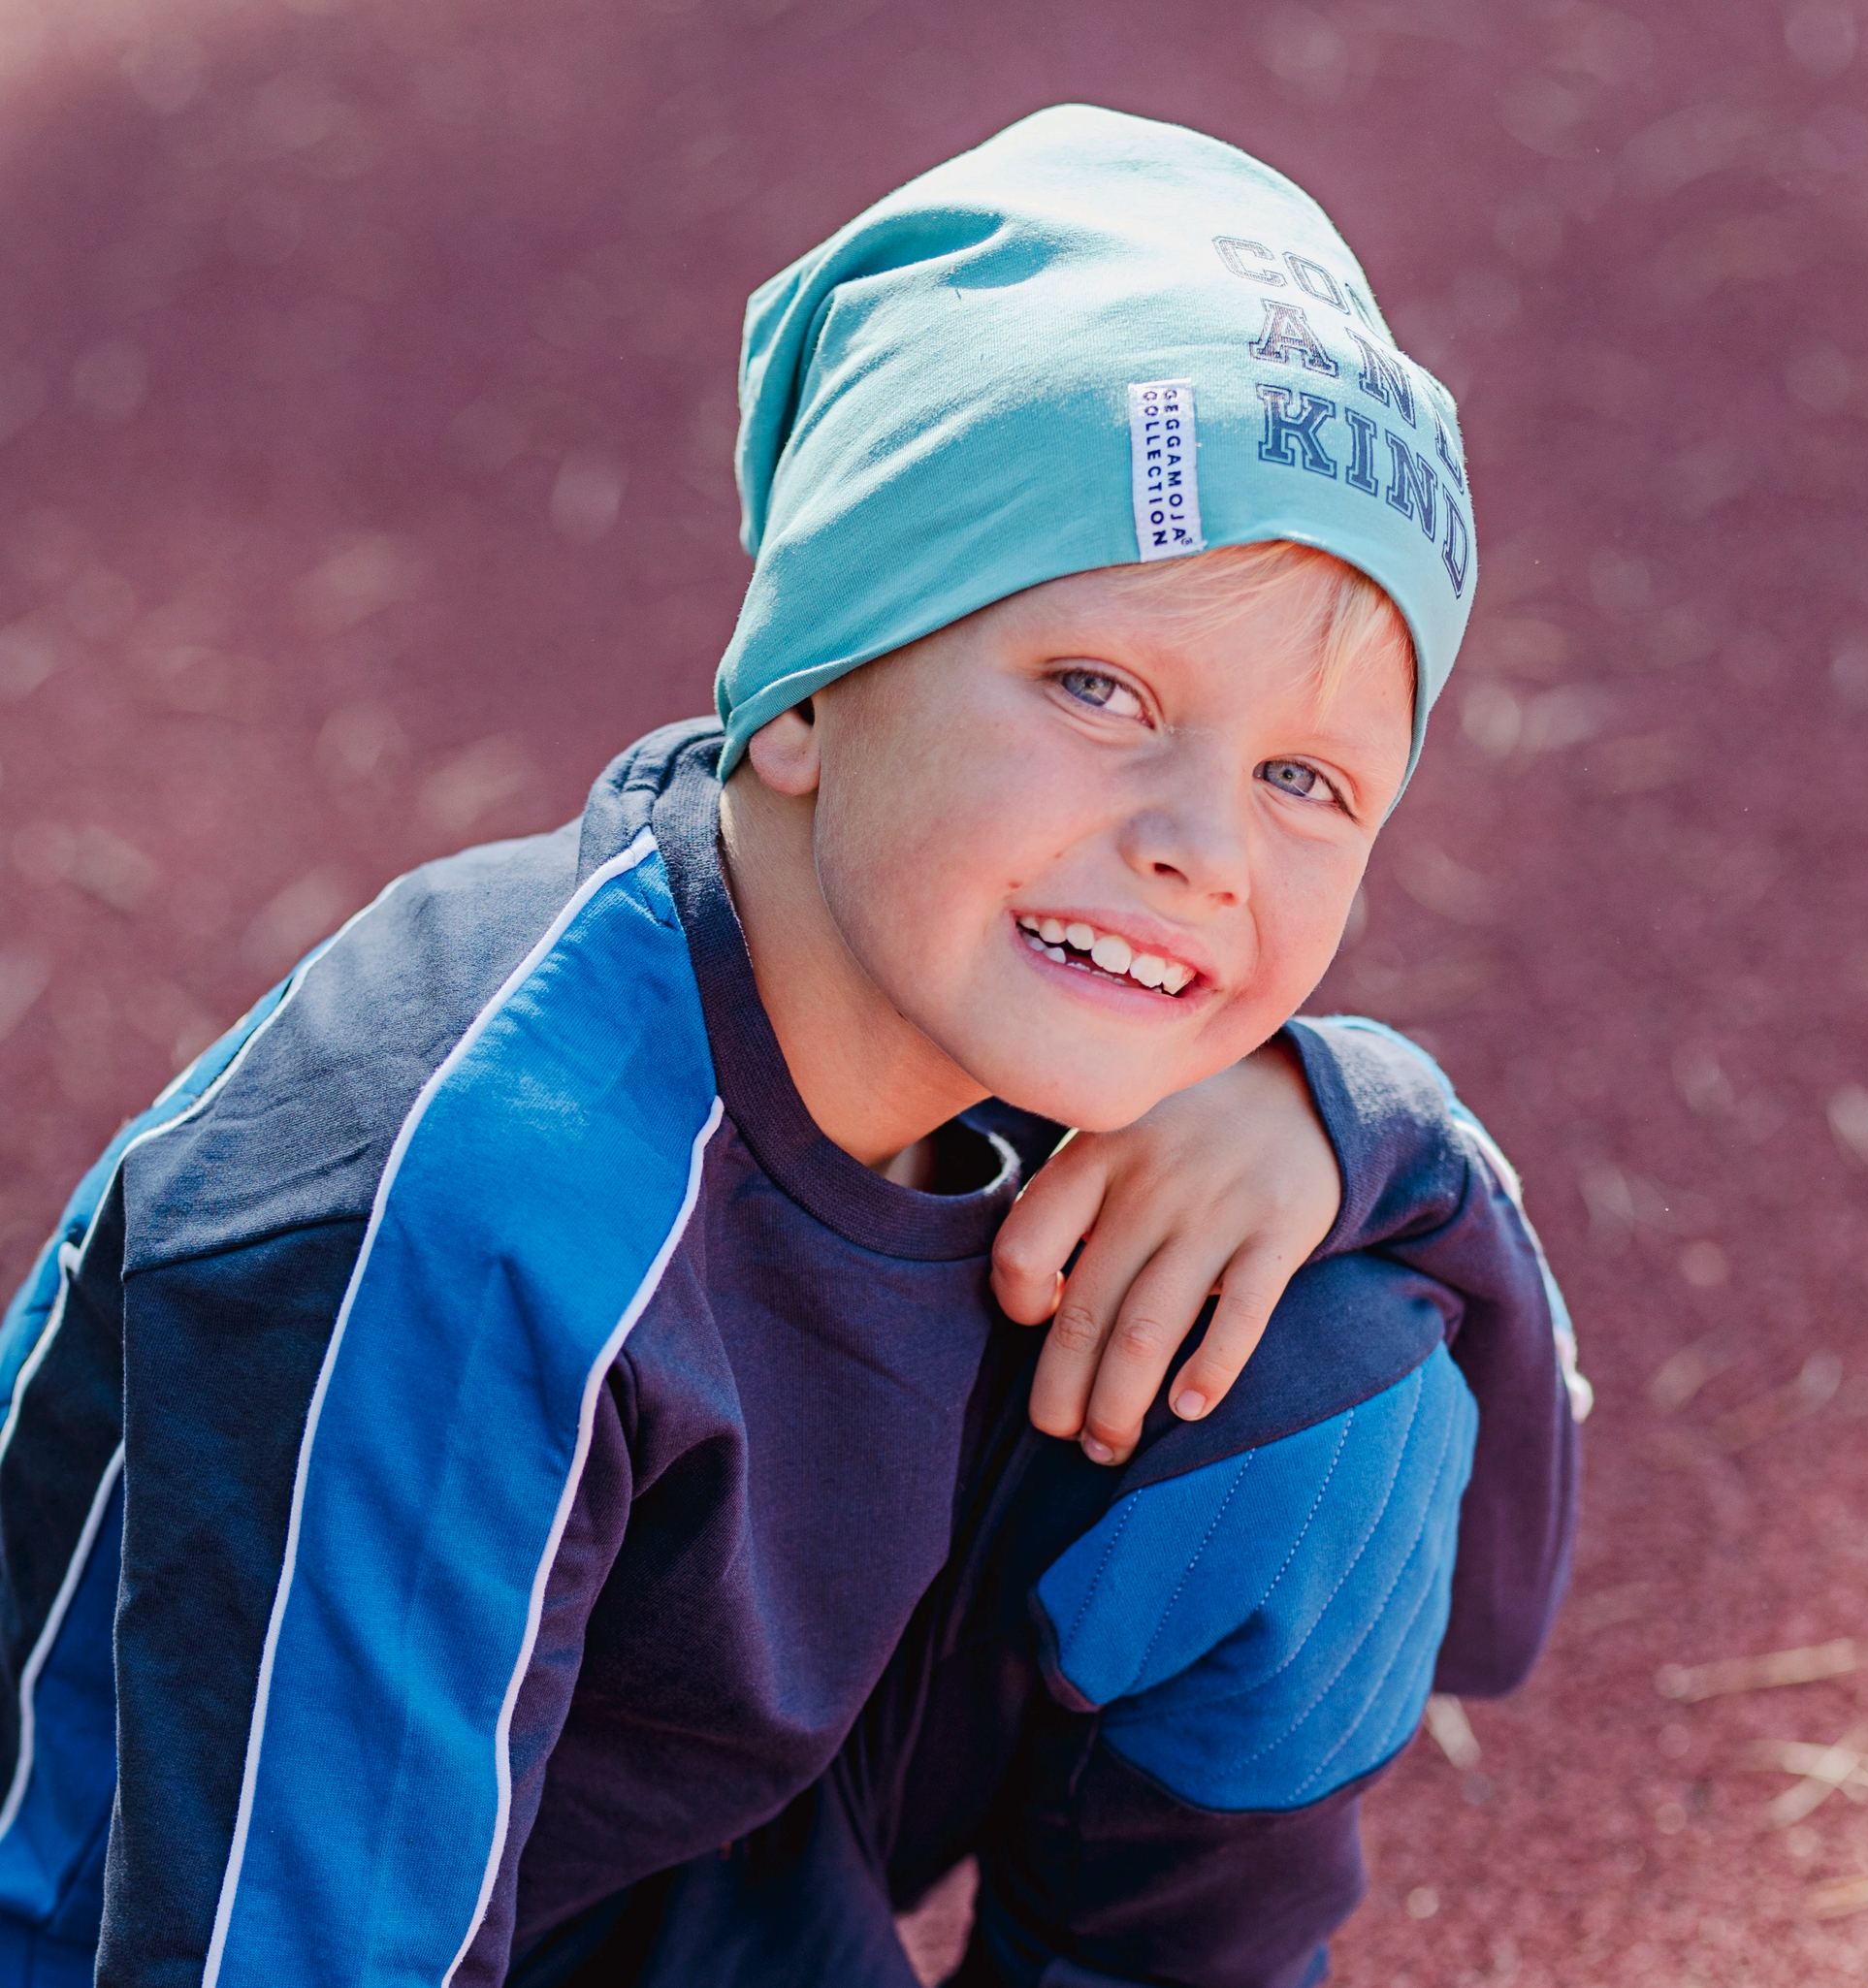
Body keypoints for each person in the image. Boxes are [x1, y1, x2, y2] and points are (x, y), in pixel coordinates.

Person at [0, 106, 1585, 1988]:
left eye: (1305, 778)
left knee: (1320, 1352)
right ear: (811, 688)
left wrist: (1343, 1117)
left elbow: (1493, 1588)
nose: (1199, 844)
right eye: (1098, 686)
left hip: (676, 1867)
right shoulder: (483, 1194)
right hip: (206, 1919)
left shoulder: (1011, 991)